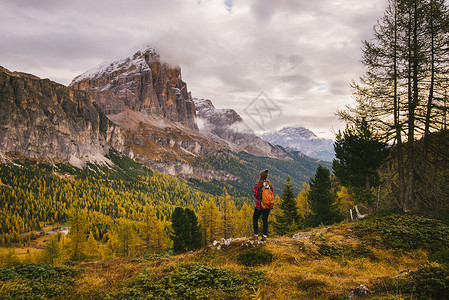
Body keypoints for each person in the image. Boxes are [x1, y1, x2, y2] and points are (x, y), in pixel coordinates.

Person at [250, 169, 273, 242]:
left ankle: (255, 235)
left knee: (255, 219)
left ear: (260, 176)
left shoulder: (258, 184)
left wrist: (254, 191)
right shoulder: (269, 184)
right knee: (265, 220)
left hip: (259, 205)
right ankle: (265, 236)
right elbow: (272, 193)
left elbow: (256, 195)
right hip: (268, 205)